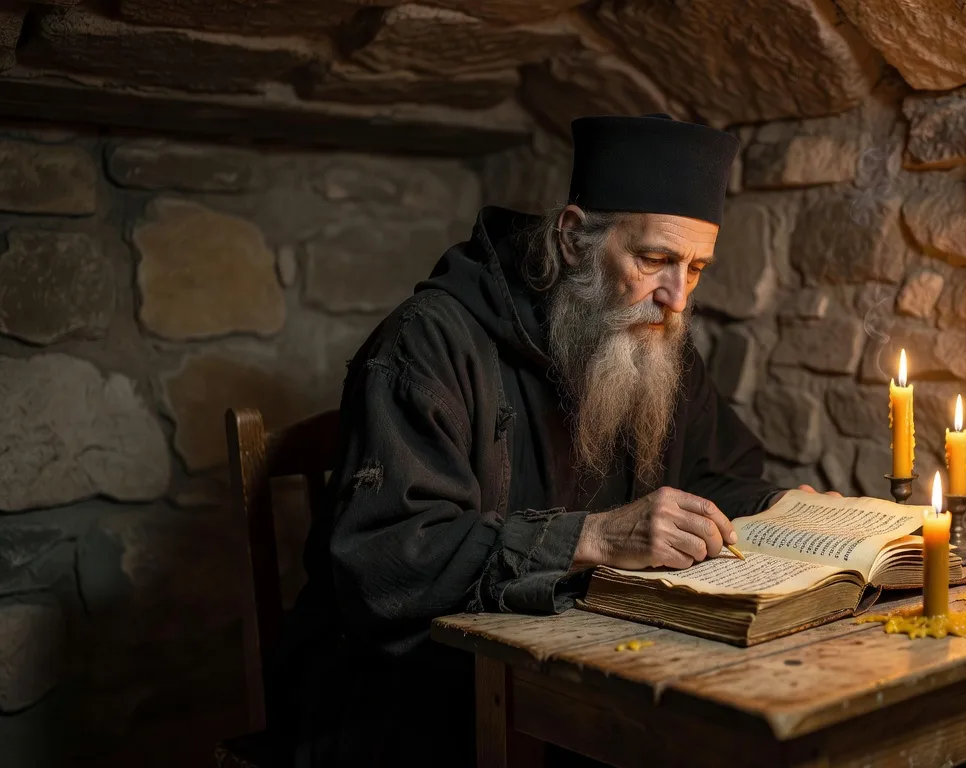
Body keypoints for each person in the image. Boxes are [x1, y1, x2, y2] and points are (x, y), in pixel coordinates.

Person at [267, 114, 828, 766]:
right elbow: (387, 558)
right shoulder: (429, 342)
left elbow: (712, 475)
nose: (677, 298)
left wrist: (788, 512)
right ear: (573, 238)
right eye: (654, 260)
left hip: (575, 682)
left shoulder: (654, 338)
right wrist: (593, 538)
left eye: (696, 267)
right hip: (410, 700)